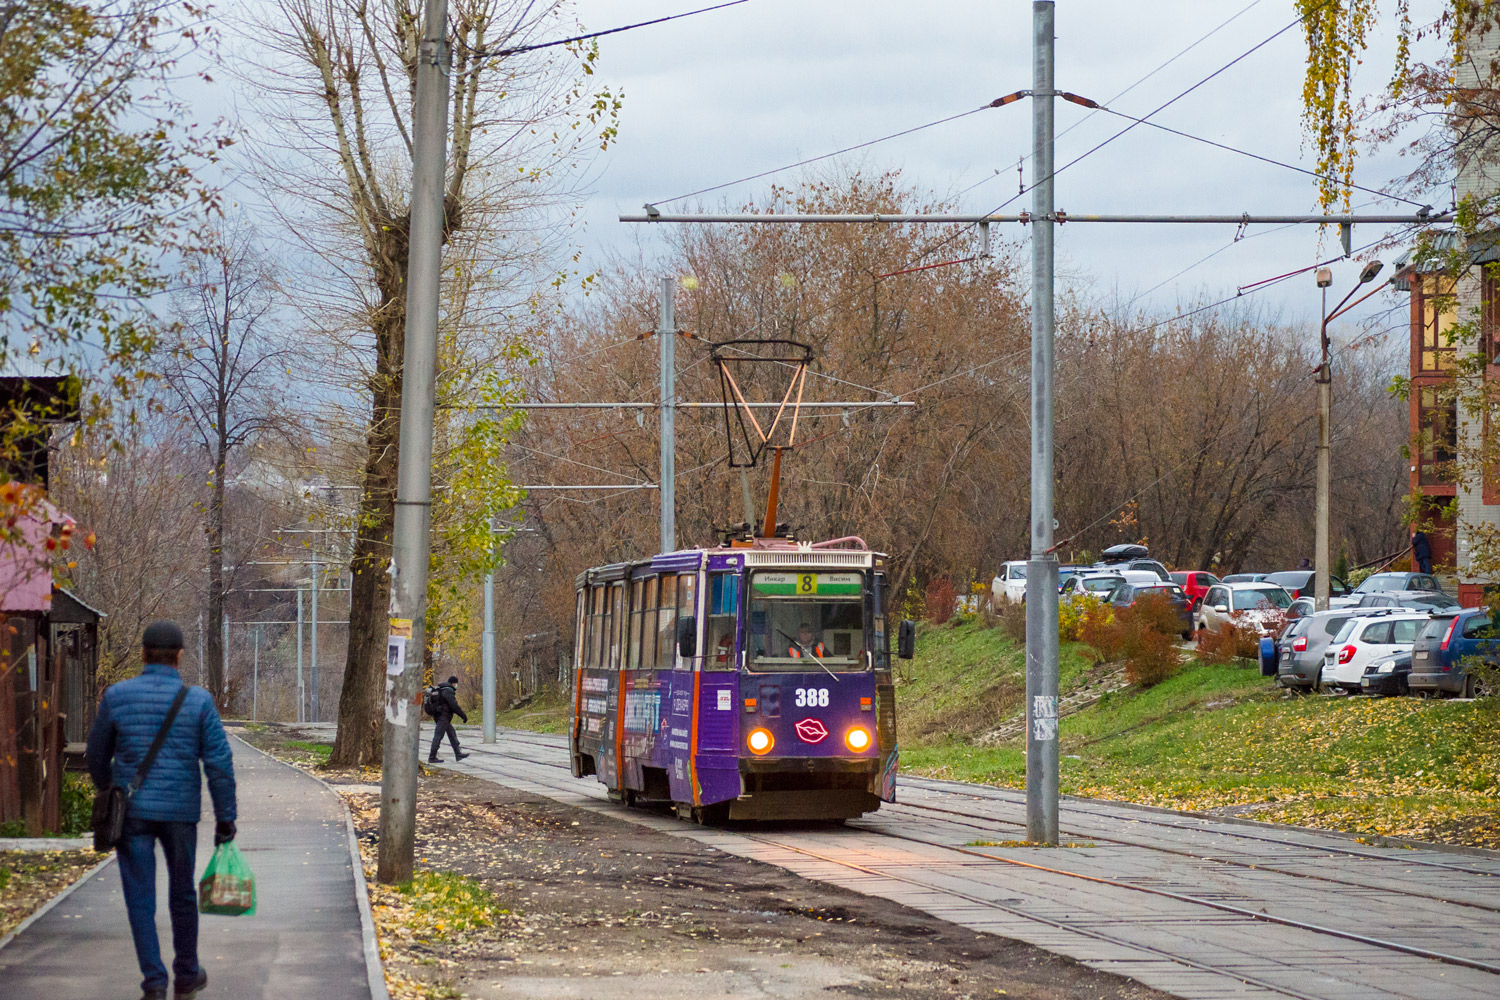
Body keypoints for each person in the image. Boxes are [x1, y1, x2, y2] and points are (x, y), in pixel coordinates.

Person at [86, 621, 237, 1000]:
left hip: (131, 812)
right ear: (180, 656)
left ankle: (154, 982)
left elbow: (96, 755)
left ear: (142, 654)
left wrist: (108, 789)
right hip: (180, 814)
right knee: (183, 893)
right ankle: (187, 974)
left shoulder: (117, 696)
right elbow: (218, 762)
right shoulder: (199, 701)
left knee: (140, 896)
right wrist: (225, 817)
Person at [428, 674, 470, 763]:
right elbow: (454, 706)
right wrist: (463, 716)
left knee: (452, 734)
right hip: (443, 717)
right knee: (438, 736)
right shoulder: (448, 691)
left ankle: (458, 754)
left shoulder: (442, 689)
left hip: (440, 716)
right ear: (453, 684)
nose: (456, 686)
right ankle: (432, 757)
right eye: (456, 684)